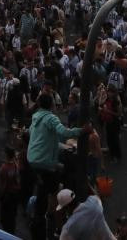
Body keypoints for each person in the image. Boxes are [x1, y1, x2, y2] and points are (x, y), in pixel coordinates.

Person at [26, 93, 83, 240]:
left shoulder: (36, 118)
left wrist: (63, 147)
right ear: (51, 105)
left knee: (48, 183)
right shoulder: (51, 118)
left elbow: (42, 139)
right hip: (45, 162)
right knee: (60, 173)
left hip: (32, 159)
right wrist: (82, 130)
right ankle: (53, 210)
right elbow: (64, 132)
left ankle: (46, 208)